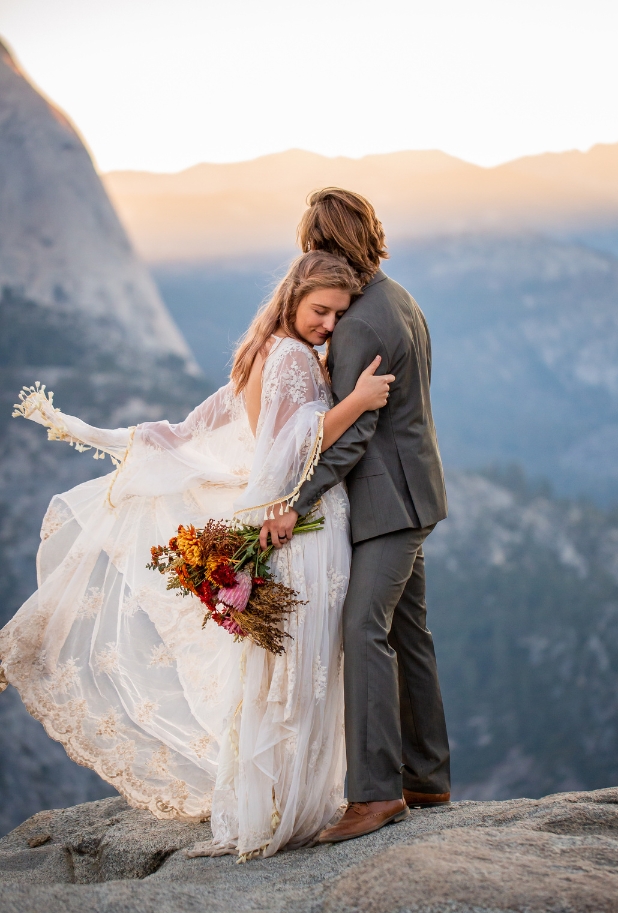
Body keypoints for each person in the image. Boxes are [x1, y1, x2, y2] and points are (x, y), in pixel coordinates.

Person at [0, 251, 394, 861]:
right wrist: (359, 402)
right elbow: (290, 455)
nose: (329, 326)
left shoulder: (261, 350)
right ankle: (287, 808)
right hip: (308, 525)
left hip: (294, 524)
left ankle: (272, 802)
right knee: (306, 664)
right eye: (321, 311)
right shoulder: (289, 355)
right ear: (292, 298)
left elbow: (187, 429)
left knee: (287, 668)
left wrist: (106, 436)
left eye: (339, 315)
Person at [263, 188, 451, 843]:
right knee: (409, 633)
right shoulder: (396, 295)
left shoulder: (360, 322)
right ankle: (426, 774)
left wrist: (296, 501)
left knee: (362, 627)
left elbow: (350, 437)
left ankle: (374, 794)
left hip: (386, 502)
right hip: (417, 490)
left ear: (325, 243)